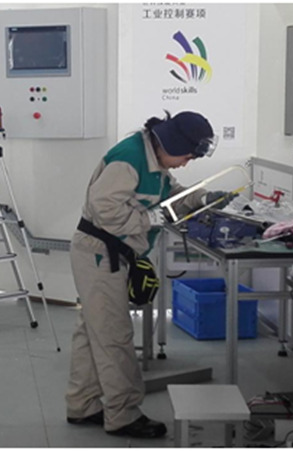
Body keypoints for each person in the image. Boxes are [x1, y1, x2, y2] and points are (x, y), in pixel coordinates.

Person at [65, 111, 235, 438]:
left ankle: (82, 404)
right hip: (99, 255)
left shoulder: (155, 159)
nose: (185, 163)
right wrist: (149, 220)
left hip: (112, 254)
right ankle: (123, 415)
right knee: (114, 336)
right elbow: (104, 208)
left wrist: (203, 198)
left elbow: (173, 196)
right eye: (186, 156)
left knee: (93, 332)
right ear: (172, 144)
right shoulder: (130, 159)